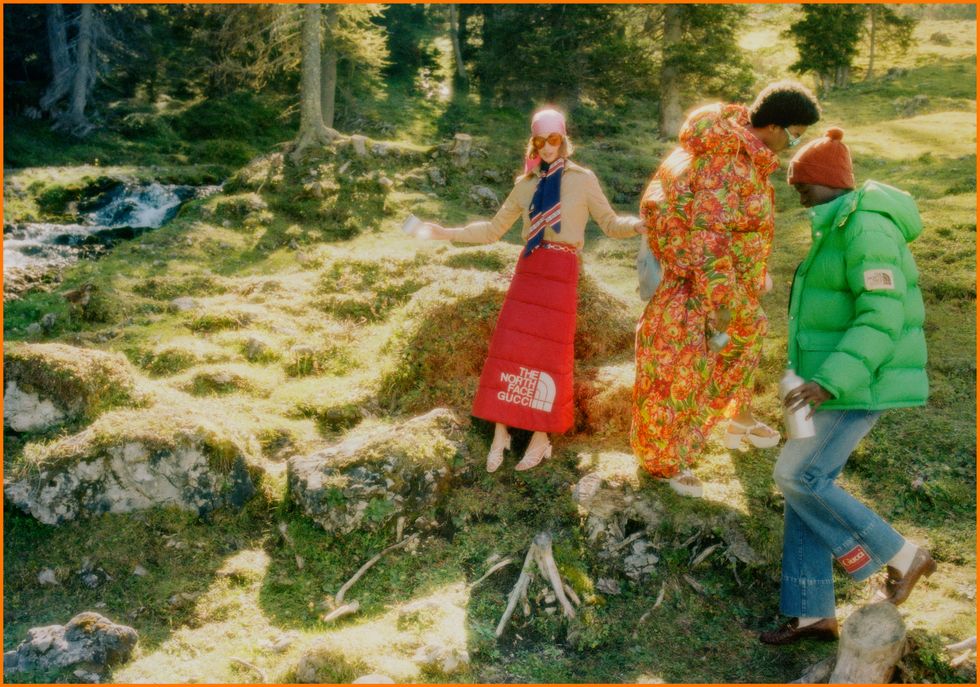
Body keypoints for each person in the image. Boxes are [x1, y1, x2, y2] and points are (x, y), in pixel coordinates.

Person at [759, 127, 933, 645]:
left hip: (856, 383)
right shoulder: (837, 225)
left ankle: (904, 555)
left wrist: (829, 381)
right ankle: (811, 612)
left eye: (803, 185)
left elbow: (881, 315)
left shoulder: (867, 227)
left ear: (829, 181)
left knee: (798, 475)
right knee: (805, 488)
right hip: (826, 382)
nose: (798, 195)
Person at [420, 108, 645, 472]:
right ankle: (501, 433)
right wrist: (446, 232)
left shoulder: (583, 179)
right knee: (509, 350)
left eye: (553, 140)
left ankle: (541, 437)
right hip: (529, 269)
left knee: (549, 355)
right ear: (534, 143)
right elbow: (492, 230)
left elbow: (609, 222)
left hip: (561, 271)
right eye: (540, 141)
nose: (547, 147)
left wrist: (636, 225)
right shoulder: (526, 184)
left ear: (564, 140)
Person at [632, 81, 821, 497]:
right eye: (795, 134)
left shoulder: (736, 152)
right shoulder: (725, 161)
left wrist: (750, 276)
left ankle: (711, 432)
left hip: (711, 283)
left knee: (722, 350)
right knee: (678, 372)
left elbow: (733, 228)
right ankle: (665, 463)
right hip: (696, 286)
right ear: (773, 126)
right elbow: (709, 236)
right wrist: (719, 301)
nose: (794, 144)